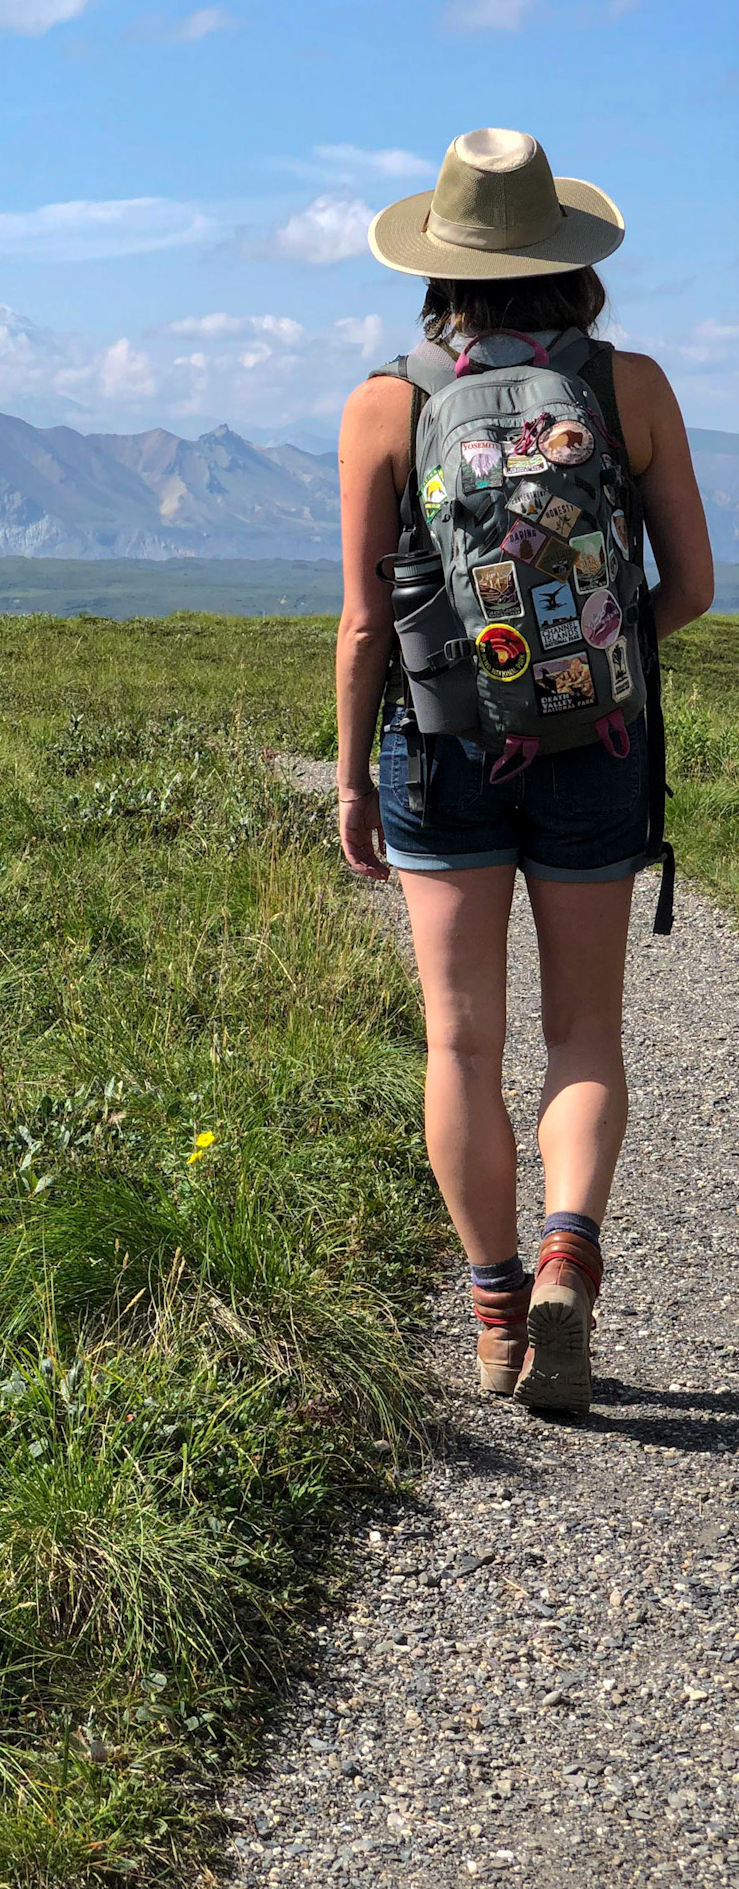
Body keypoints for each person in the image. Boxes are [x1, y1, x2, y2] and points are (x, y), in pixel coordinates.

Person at [336, 128, 713, 1411]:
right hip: (594, 742)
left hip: (441, 747)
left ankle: (496, 1317)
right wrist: (598, 663)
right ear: (569, 255)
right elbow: (696, 587)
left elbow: (361, 626)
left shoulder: (387, 401)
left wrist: (348, 777)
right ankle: (569, 1255)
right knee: (585, 1029)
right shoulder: (633, 386)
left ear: (436, 264)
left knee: (460, 1037)